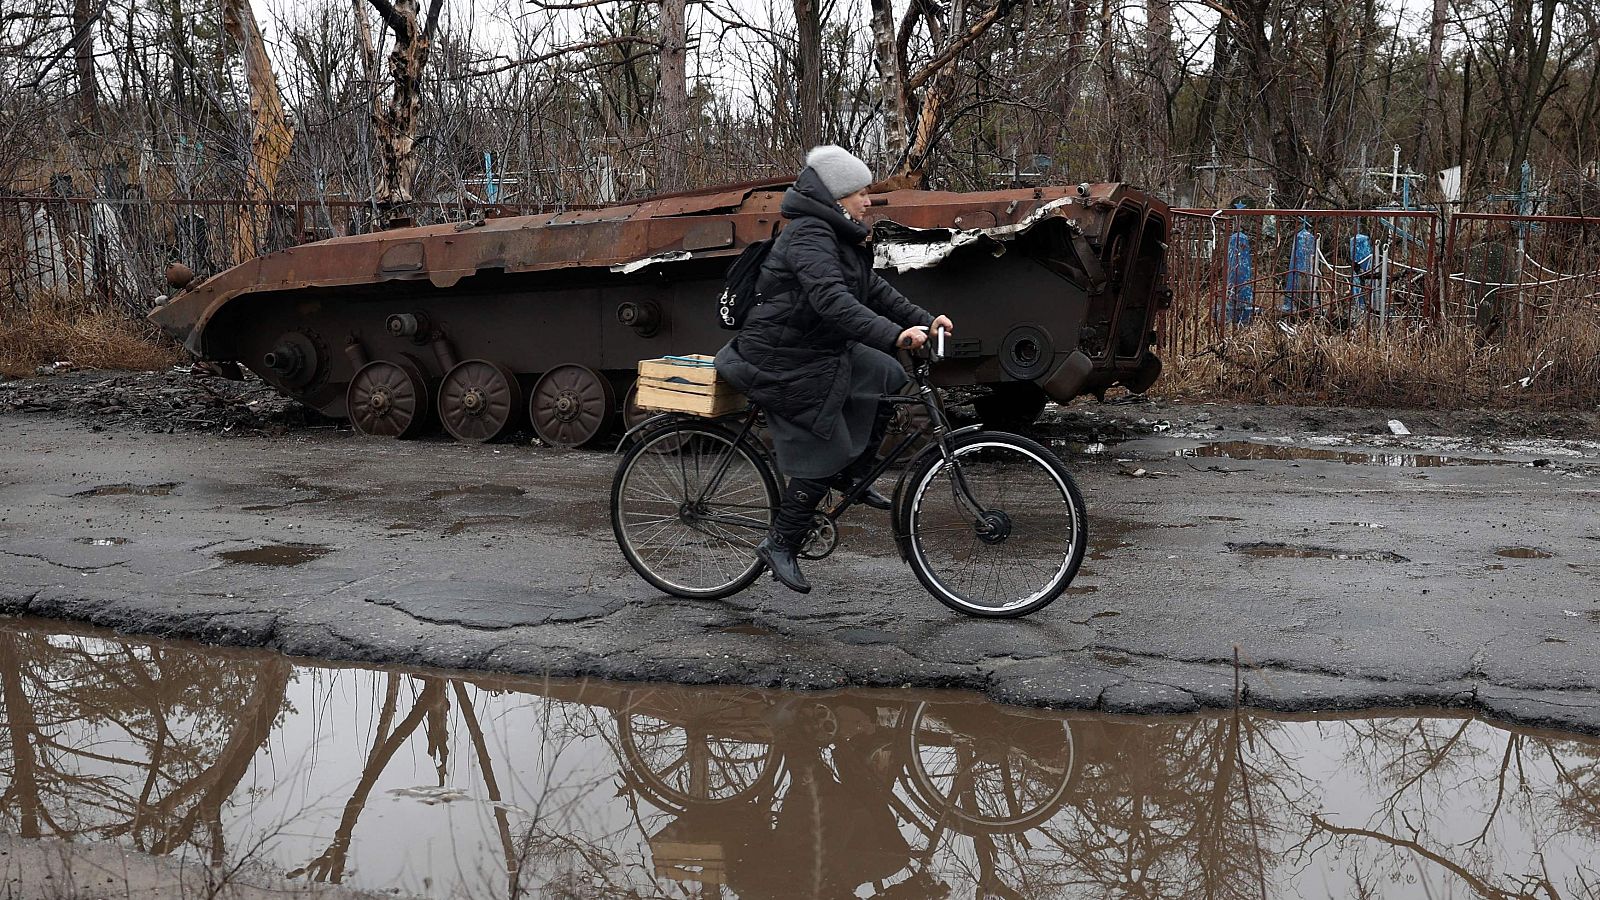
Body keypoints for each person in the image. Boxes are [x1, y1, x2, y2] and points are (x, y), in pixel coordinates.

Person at [714, 146, 954, 594]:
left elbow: (872, 289)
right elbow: (832, 301)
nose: (868, 200)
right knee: (825, 438)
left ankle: (850, 475)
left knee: (887, 376)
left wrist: (921, 318)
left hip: (814, 348)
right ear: (836, 197)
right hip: (779, 357)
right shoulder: (808, 236)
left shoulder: (835, 234)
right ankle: (780, 543)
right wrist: (893, 336)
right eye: (859, 192)